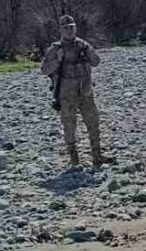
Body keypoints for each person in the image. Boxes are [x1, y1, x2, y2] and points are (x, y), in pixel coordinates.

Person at [41, 15, 112, 168]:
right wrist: (57, 60)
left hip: (85, 93)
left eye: (71, 27)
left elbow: (96, 62)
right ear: (60, 30)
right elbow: (44, 70)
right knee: (69, 127)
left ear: (75, 28)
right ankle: (74, 160)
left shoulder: (83, 45)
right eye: (66, 28)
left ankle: (97, 156)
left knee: (93, 124)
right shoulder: (55, 48)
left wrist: (88, 51)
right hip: (66, 96)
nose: (69, 30)